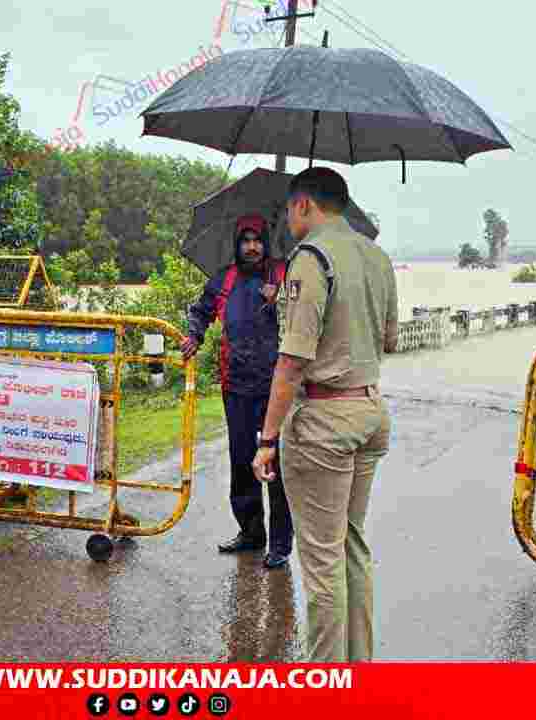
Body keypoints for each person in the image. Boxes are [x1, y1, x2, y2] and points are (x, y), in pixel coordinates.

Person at [251, 167, 398, 662]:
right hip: (369, 409)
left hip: (325, 421)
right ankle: (358, 667)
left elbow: (292, 360)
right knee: (352, 545)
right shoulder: (376, 256)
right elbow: (389, 340)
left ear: (304, 205)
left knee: (320, 560)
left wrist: (267, 438)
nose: (287, 219)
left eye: (289, 209)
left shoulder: (309, 258)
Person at [183, 214, 294, 569]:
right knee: (242, 462)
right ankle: (250, 532)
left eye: (257, 240)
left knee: (275, 466)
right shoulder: (224, 279)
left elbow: (311, 314)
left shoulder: (285, 273)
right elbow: (200, 311)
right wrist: (193, 335)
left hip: (277, 387)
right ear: (237, 244)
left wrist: (281, 301)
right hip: (237, 387)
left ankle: (279, 543)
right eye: (245, 240)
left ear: (266, 242)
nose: (252, 247)